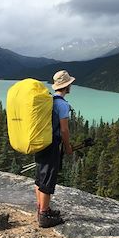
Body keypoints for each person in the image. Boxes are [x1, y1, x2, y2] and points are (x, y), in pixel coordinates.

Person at [35, 70, 74, 228]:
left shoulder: (49, 101)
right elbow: (64, 130)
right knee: (48, 179)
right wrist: (68, 147)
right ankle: (44, 216)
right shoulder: (62, 105)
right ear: (67, 86)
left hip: (41, 142)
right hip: (52, 145)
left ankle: (42, 208)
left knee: (40, 177)